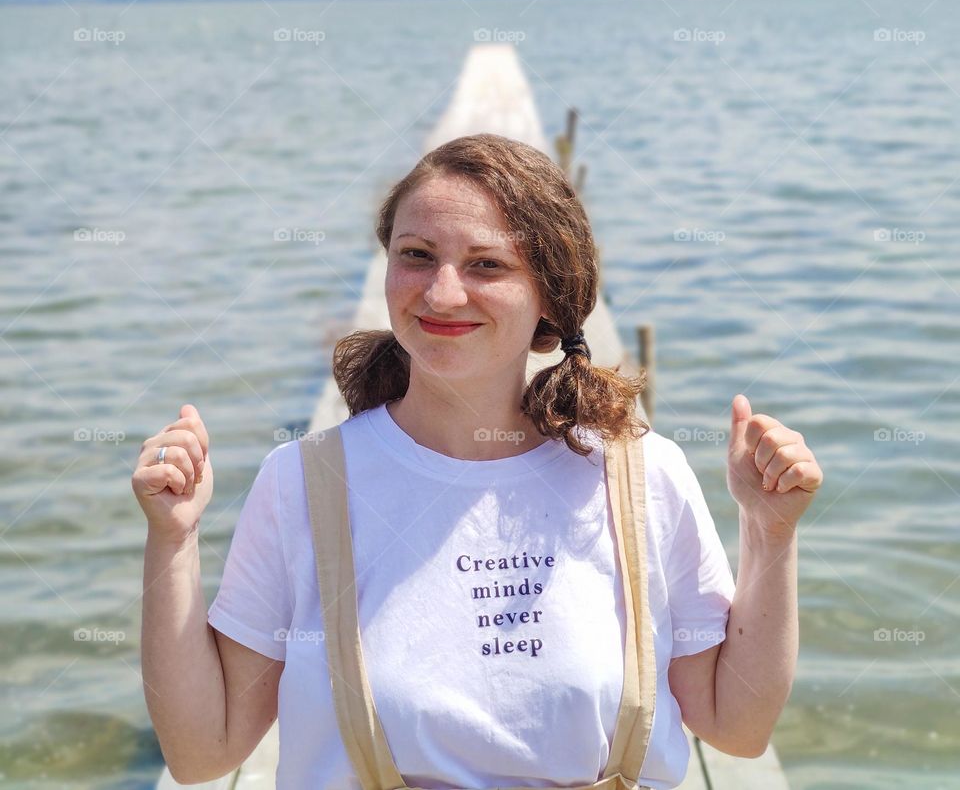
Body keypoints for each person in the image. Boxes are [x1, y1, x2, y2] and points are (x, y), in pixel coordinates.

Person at [132, 132, 823, 789]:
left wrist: (771, 533)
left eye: (486, 264)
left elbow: (737, 725)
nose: (440, 292)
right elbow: (203, 751)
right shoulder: (304, 482)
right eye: (417, 254)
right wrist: (173, 537)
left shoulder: (641, 475)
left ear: (551, 293)